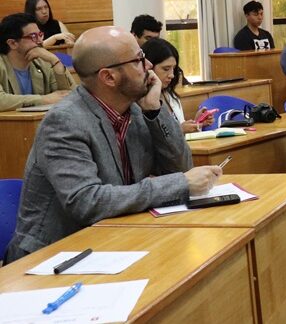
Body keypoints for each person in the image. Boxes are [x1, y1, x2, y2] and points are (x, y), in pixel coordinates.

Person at [4, 26, 222, 263]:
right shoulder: (65, 122)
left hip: (113, 240)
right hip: (54, 257)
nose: (149, 66)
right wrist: (179, 183)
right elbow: (87, 202)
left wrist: (154, 111)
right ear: (109, 77)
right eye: (138, 60)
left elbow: (181, 168)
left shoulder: (136, 109)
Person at [0, 13, 74, 111]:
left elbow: (69, 94)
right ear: (13, 43)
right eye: (33, 36)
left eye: (40, 35)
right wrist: (43, 99)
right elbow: (2, 101)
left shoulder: (43, 62)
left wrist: (55, 61)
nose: (40, 41)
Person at [141, 38, 212, 134]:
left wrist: (196, 122)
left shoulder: (170, 95)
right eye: (166, 69)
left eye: (173, 69)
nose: (172, 75)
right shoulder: (141, 101)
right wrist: (180, 129)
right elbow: (149, 137)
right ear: (148, 67)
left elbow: (179, 129)